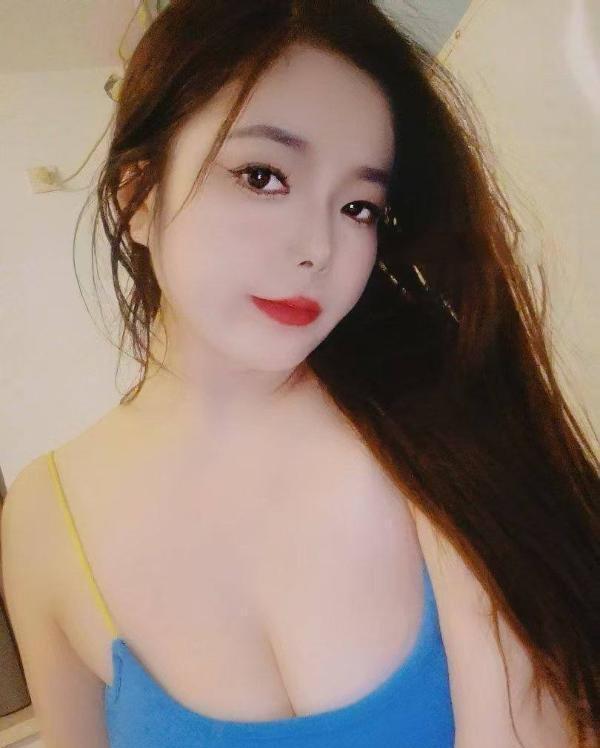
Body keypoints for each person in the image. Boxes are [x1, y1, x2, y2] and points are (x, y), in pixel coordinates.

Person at [2, 2, 598, 747]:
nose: (318, 246)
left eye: (358, 206)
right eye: (263, 176)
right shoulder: (43, 516)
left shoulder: (437, 429)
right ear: (138, 198)